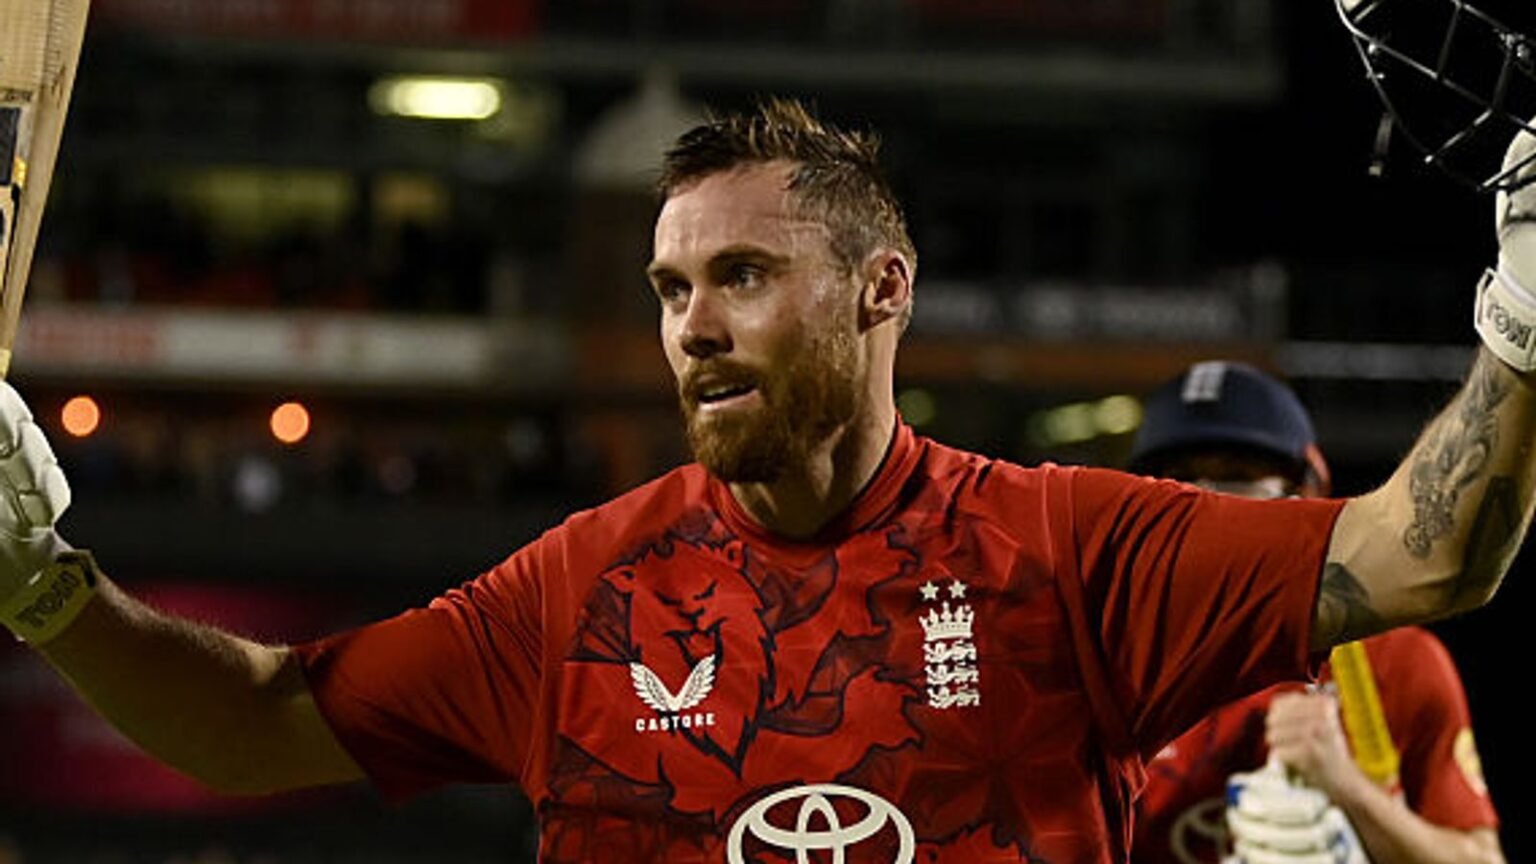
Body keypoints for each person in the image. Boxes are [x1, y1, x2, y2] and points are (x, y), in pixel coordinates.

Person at [2, 98, 1535, 864]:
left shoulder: (1061, 548)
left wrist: (1523, 320)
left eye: (740, 275)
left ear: (883, 290)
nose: (693, 327)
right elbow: (258, 724)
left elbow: (1425, 554)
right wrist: (46, 591)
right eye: (672, 290)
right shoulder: (580, 592)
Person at [1126, 361, 1505, 864]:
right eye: (1175, 482)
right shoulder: (1102, 662)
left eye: (1239, 478)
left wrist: (1351, 791)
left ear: (1308, 493)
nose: (1203, 506)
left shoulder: (1394, 662)